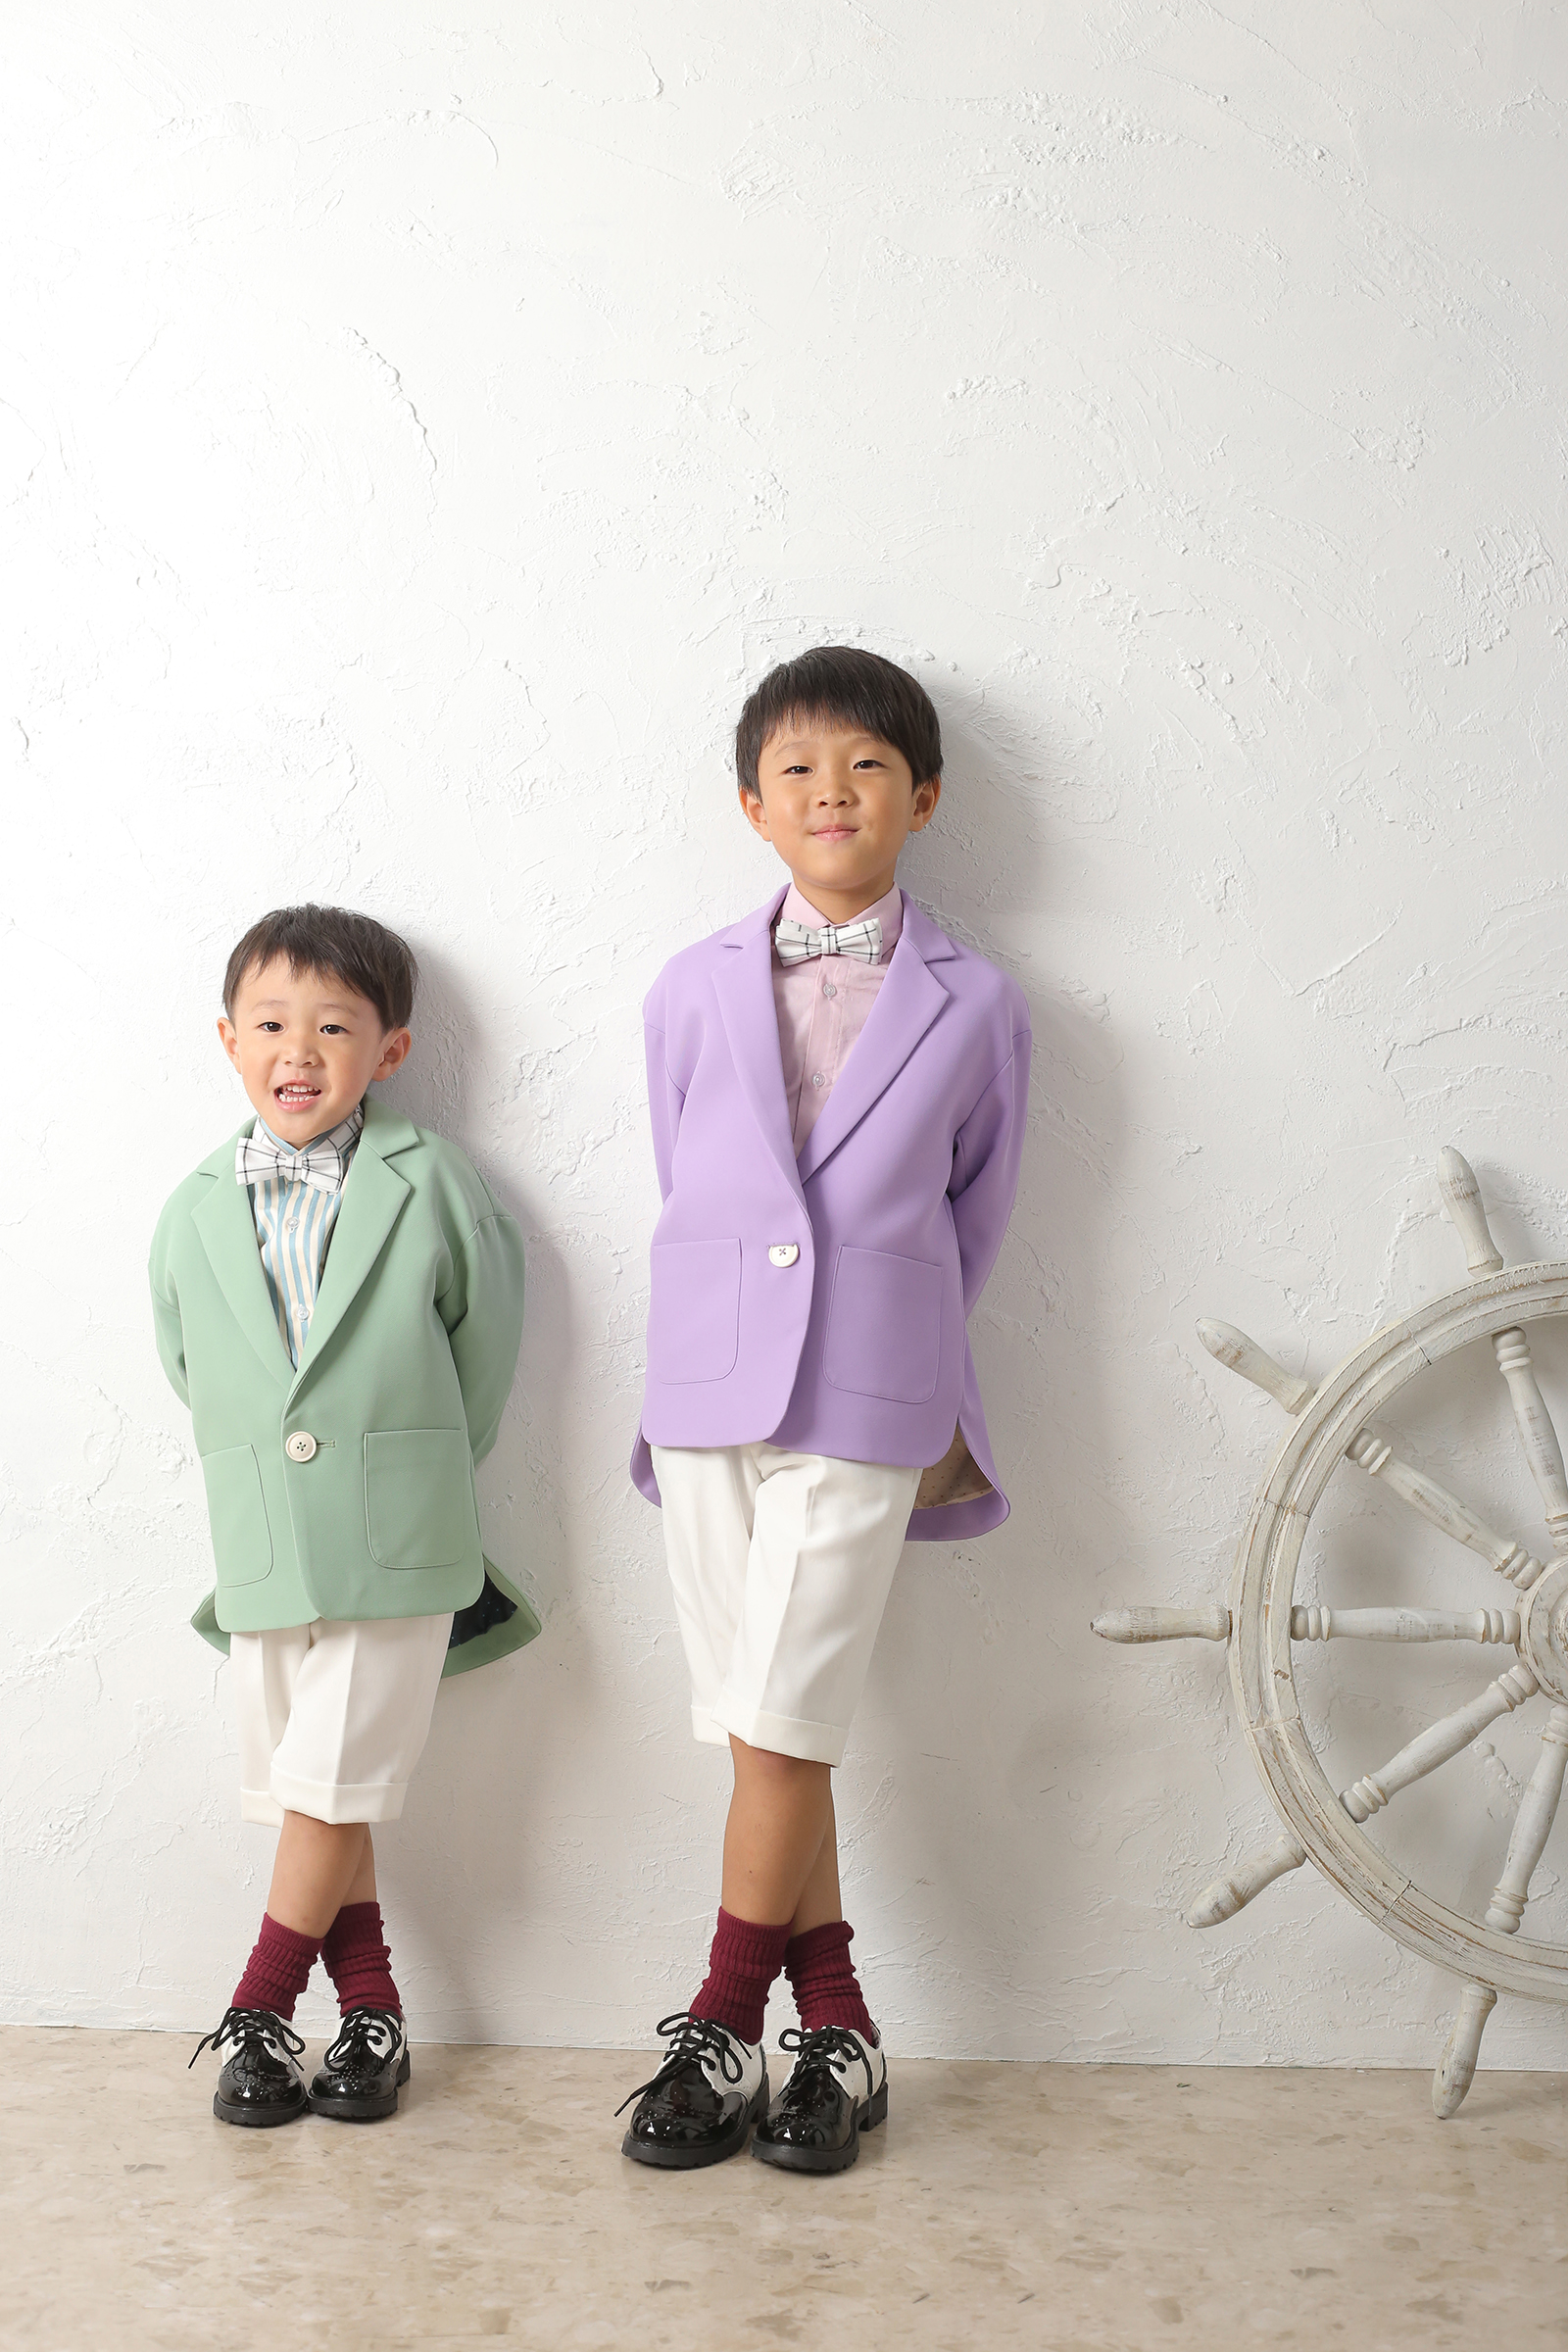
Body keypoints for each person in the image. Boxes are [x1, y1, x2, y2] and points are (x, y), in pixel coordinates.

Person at [618, 646, 1030, 2173]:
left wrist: (883, 1321)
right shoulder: (687, 987)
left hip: (869, 1386)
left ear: (924, 797)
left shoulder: (979, 1004)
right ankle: (840, 2032)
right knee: (763, 1725)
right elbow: (689, 1173)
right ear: (753, 805)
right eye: (797, 768)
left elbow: (977, 1211)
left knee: (781, 1717)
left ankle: (722, 2023)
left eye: (866, 765)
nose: (832, 790)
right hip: (706, 1385)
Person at [150, 905, 533, 2128]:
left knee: (325, 1783)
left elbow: (484, 1352)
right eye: (271, 1024)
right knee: (321, 1788)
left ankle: (259, 2010)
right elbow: (191, 1366)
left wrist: (413, 1469)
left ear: (390, 1049)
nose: (299, 1050)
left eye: (333, 1026)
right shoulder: (191, 1207)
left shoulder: (436, 1183)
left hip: (400, 1537)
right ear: (229, 1040)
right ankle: (372, 2014)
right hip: (265, 1543)